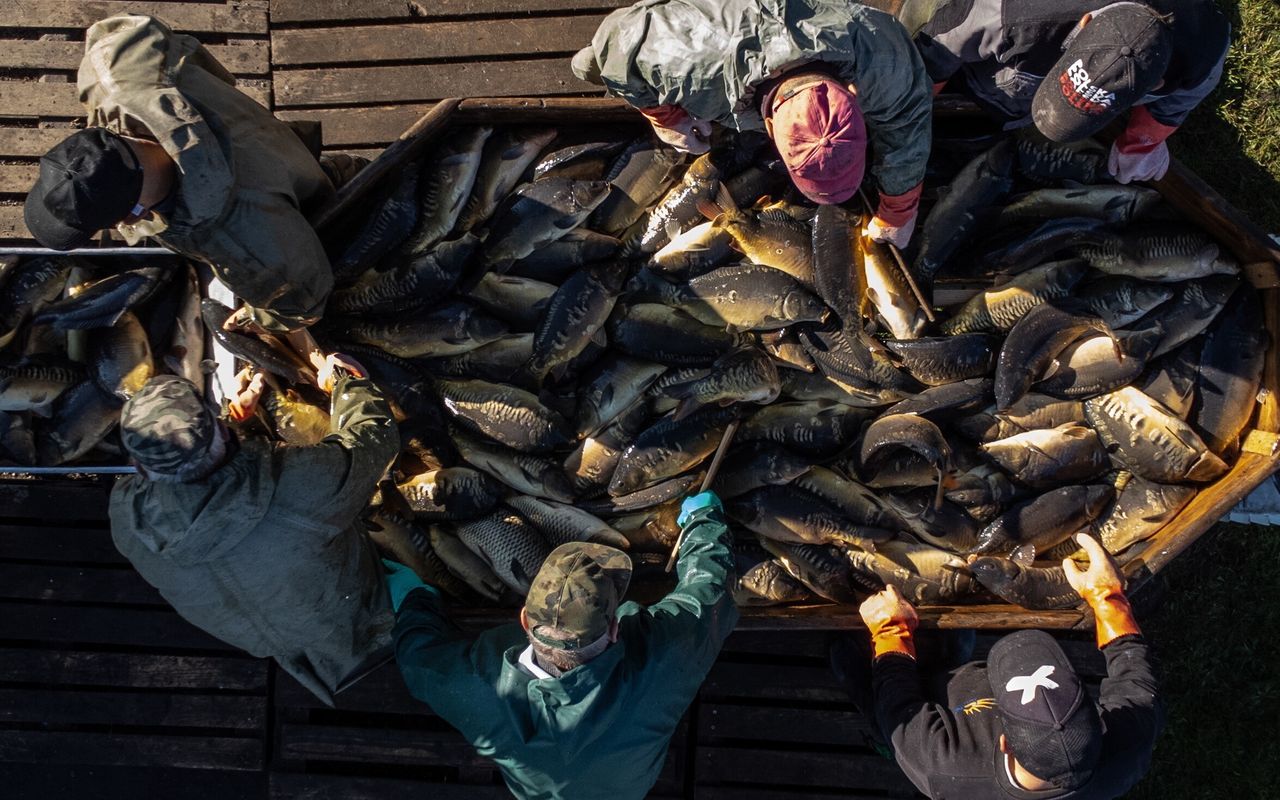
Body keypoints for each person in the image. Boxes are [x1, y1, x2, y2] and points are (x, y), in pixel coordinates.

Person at [386, 490, 738, 799]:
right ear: (615, 629)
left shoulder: (479, 691)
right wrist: (702, 521)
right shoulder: (660, 662)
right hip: (626, 786)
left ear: (524, 620)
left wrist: (415, 598)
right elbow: (707, 594)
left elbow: (419, 661)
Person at [108, 354, 399, 705]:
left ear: (138, 465)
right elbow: (373, 444)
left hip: (265, 641)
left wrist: (236, 420)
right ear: (221, 433)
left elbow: (199, 475)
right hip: (355, 614)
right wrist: (348, 383)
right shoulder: (298, 484)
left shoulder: (126, 516)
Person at [23, 14, 339, 333]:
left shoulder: (232, 236)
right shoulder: (113, 71)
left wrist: (259, 322)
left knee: (333, 204)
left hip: (306, 198)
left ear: (132, 217)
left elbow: (304, 303)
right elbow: (127, 29)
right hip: (268, 143)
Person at [570, 0, 934, 247]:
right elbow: (617, 39)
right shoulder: (676, 55)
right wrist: (665, 116)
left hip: (815, 23)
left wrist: (899, 211)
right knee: (586, 65)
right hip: (714, 27)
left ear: (852, 96)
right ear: (769, 128)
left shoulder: (880, 49)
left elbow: (908, 125)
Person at [842, 533, 1161, 798]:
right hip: (968, 687)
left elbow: (898, 707)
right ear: (1095, 721)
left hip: (934, 706)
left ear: (1005, 743)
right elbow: (1134, 677)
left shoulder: (942, 766)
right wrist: (1108, 598)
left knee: (849, 663)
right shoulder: (1127, 743)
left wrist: (890, 630)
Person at [914, 0, 1230, 183]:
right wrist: (905, 130)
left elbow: (1176, 103)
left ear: (1157, 83)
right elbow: (932, 57)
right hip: (982, 64)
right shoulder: (1006, 13)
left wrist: (1141, 144)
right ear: (1086, 22)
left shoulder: (1204, 50)